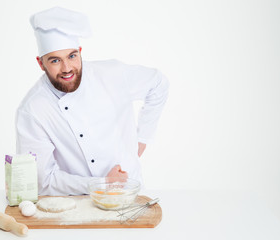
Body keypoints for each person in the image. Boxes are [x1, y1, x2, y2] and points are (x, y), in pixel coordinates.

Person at [16, 7, 169, 196]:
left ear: (80, 52)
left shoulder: (112, 74)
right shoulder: (33, 110)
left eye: (72, 56)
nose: (67, 68)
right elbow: (42, 181)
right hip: (75, 206)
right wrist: (101, 184)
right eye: (55, 60)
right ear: (41, 63)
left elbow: (158, 83)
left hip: (130, 196)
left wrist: (143, 138)